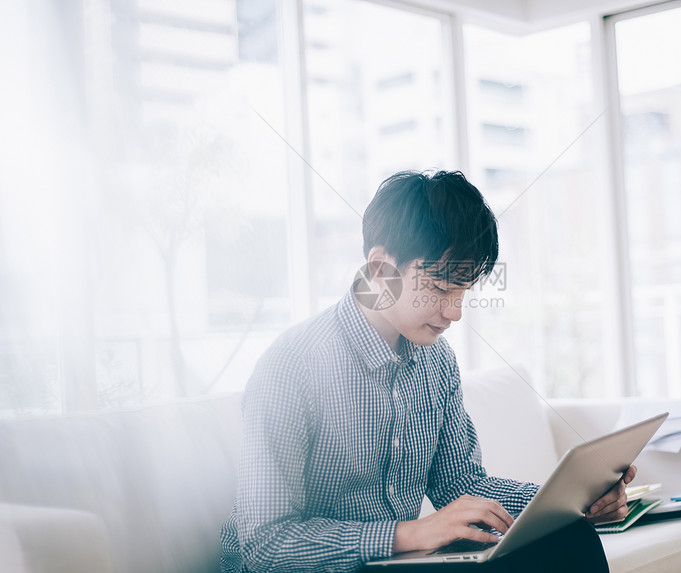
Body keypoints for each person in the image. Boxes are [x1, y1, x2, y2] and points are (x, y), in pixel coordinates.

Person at [219, 170, 634, 572]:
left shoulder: (435, 361)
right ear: (381, 270)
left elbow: (462, 486)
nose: (454, 312)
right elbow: (265, 544)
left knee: (569, 538)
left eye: (464, 291)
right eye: (440, 288)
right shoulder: (292, 366)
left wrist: (571, 503)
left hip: (397, 564)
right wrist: (408, 535)